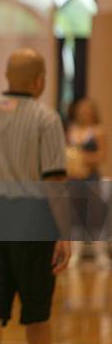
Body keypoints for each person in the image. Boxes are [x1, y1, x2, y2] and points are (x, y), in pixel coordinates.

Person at [0, 48, 71, 344]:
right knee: (37, 313)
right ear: (40, 80)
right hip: (34, 219)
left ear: (7, 75)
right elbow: (55, 182)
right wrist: (64, 232)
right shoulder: (47, 118)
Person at [66, 98, 110, 269]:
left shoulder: (98, 131)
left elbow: (102, 155)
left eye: (88, 110)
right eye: (82, 110)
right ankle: (75, 254)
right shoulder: (72, 130)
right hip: (74, 178)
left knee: (95, 215)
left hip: (91, 177)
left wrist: (82, 158)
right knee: (74, 216)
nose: (85, 113)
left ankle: (101, 254)